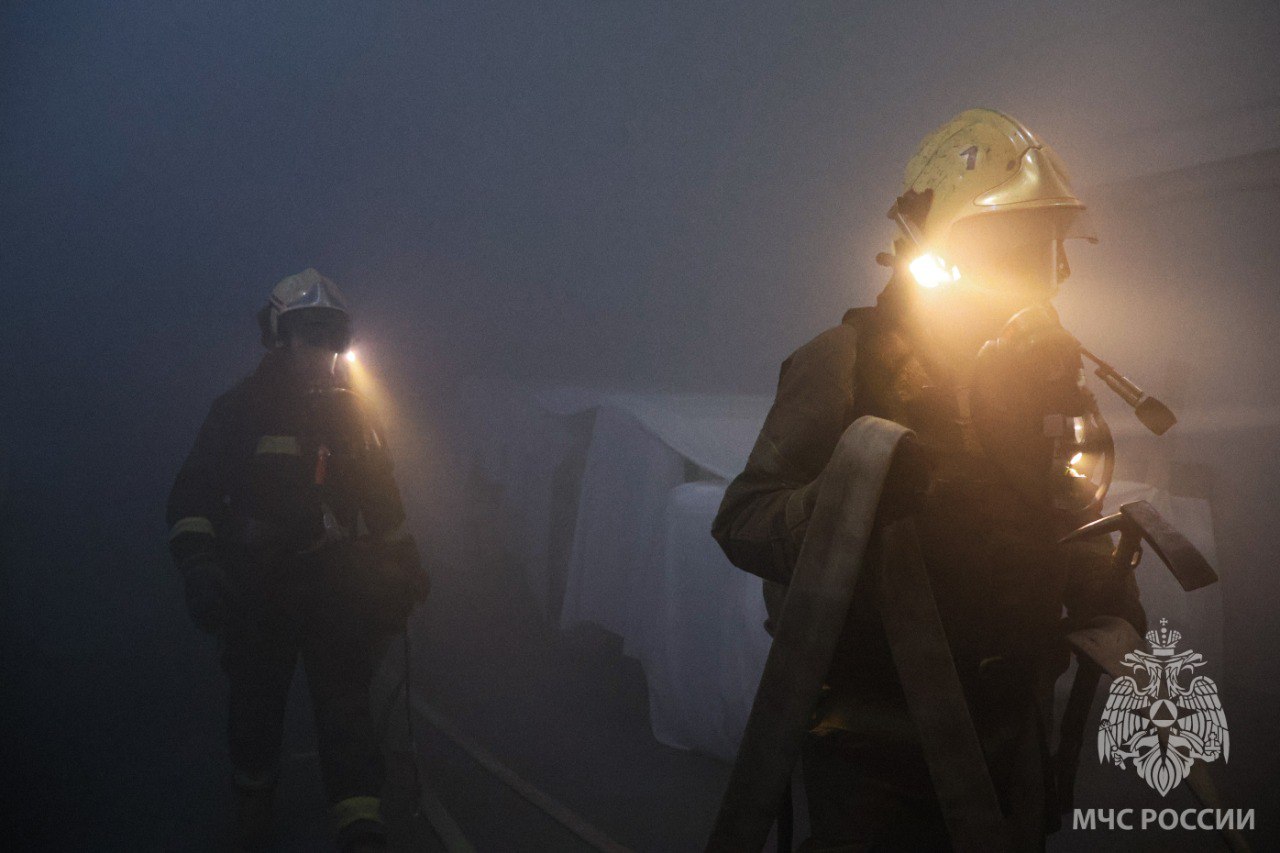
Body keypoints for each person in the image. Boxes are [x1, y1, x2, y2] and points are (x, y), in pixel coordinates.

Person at [711, 109, 1147, 851]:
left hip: (1010, 728)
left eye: (1045, 248)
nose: (1036, 273)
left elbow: (1046, 505)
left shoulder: (1038, 377)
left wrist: (1094, 565)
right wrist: (853, 497)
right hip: (876, 745)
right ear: (942, 244)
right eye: (1011, 245)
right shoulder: (846, 360)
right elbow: (745, 518)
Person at [166, 269, 428, 852]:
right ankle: (255, 809)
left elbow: (383, 504)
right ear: (279, 337)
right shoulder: (237, 410)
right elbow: (192, 496)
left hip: (336, 592)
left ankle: (360, 829)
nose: (325, 352)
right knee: (256, 712)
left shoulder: (357, 417)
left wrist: (404, 562)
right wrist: (201, 567)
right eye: (311, 334)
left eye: (333, 337)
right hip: (257, 593)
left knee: (347, 713)